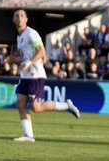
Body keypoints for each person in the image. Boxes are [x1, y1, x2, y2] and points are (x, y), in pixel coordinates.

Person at [10, 9, 79, 142]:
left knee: (37, 108)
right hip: (26, 75)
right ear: (13, 20)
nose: (19, 18)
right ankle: (28, 136)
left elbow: (41, 52)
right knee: (20, 102)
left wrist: (28, 63)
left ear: (26, 19)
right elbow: (27, 56)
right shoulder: (19, 37)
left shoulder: (31, 33)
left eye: (22, 16)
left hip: (35, 75)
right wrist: (16, 60)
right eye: (16, 16)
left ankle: (66, 106)